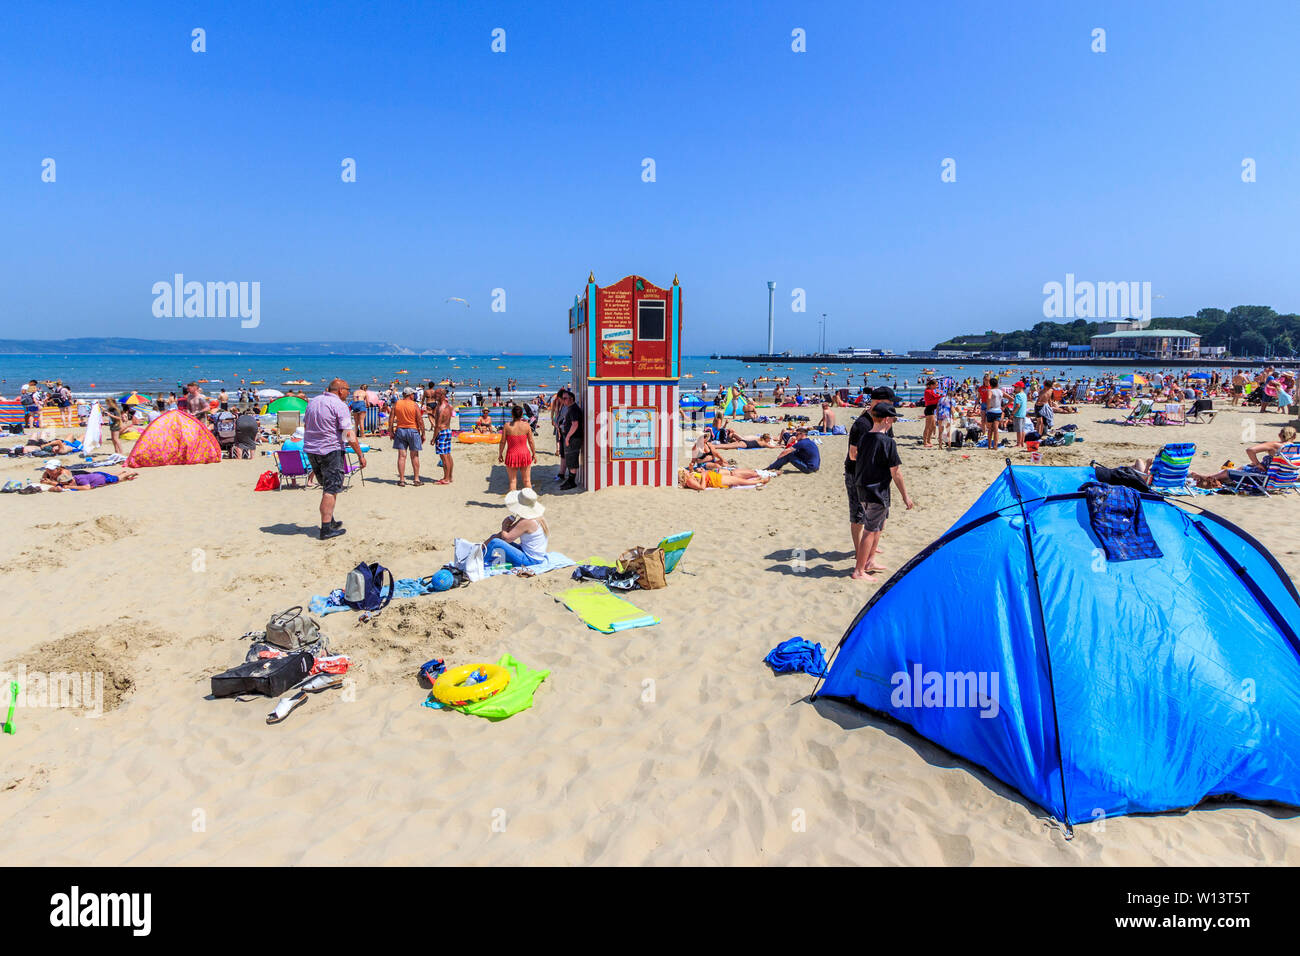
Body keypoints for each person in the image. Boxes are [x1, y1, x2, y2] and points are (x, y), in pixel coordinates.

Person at [852, 404, 914, 579]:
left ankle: (870, 561)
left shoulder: (864, 437)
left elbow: (857, 458)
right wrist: (905, 496)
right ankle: (859, 570)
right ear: (887, 419)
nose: (894, 422)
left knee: (878, 525)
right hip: (876, 490)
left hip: (863, 487)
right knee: (870, 529)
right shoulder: (887, 442)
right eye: (894, 419)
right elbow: (896, 472)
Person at [303, 379, 367, 540]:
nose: (349, 393)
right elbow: (348, 434)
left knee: (327, 485)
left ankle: (329, 520)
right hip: (330, 450)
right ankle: (326, 529)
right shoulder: (339, 405)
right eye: (347, 389)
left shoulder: (313, 402)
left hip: (312, 449)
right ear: (339, 390)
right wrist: (360, 454)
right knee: (330, 489)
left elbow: (306, 426)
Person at [845, 385, 896, 556]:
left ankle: (871, 548)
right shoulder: (862, 424)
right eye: (891, 402)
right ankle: (860, 551)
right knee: (859, 516)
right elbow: (853, 455)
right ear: (880, 402)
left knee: (881, 515)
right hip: (858, 475)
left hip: (879, 476)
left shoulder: (885, 420)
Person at [483, 488, 549, 567]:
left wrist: (504, 525)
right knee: (494, 537)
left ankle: (480, 561)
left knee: (495, 542)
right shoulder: (535, 517)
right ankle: (480, 551)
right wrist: (483, 545)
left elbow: (506, 539)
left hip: (531, 561)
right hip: (532, 555)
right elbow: (507, 533)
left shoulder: (526, 521)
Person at [390, 386, 425, 486]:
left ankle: (401, 480)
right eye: (413, 394)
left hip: (400, 430)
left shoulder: (397, 403)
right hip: (413, 430)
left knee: (402, 456)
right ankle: (416, 479)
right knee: (414, 456)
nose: (414, 395)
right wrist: (423, 433)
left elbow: (391, 418)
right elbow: (420, 420)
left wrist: (391, 431)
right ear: (410, 395)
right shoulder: (414, 405)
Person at [499, 405, 536, 492]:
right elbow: (531, 441)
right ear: (522, 414)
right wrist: (534, 453)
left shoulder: (507, 426)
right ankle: (530, 503)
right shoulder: (526, 426)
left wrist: (500, 454)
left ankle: (513, 504)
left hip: (512, 454)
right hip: (525, 454)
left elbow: (502, 442)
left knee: (512, 481)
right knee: (527, 481)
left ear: (512, 414)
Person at [40, 460, 138, 490]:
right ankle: (123, 472)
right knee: (108, 475)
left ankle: (128, 473)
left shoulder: (65, 474)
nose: (48, 471)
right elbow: (59, 484)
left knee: (114, 478)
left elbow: (86, 487)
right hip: (95, 476)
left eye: (50, 469)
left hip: (85, 475)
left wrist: (50, 482)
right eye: (48, 469)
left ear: (58, 469)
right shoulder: (49, 471)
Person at [430, 387, 455, 484]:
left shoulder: (441, 408)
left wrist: (433, 438)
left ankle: (446, 478)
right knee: (448, 455)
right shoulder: (448, 406)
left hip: (442, 432)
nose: (434, 396)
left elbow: (438, 425)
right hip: (448, 431)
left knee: (444, 457)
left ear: (441, 395)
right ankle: (450, 476)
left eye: (436, 394)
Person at [560, 390, 582, 490]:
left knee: (572, 458)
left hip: (574, 438)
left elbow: (575, 424)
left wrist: (568, 437)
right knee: (569, 458)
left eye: (565, 398)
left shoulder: (573, 409)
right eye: (562, 398)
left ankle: (572, 481)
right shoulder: (570, 408)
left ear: (571, 398)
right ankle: (570, 479)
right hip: (571, 437)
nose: (563, 400)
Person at [983, 377, 1004, 451]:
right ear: (997, 384)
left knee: (990, 429)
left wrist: (988, 406)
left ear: (990, 384)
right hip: (998, 411)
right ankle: (995, 446)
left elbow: (988, 398)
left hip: (991, 411)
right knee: (996, 429)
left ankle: (989, 445)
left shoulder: (990, 391)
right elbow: (1011, 399)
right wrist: (1004, 406)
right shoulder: (1001, 391)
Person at [921, 379, 940, 447]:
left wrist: (939, 394)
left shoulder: (931, 390)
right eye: (936, 385)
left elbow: (936, 397)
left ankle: (928, 440)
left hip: (931, 409)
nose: (937, 386)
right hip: (929, 410)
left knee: (933, 426)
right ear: (932, 385)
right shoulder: (928, 391)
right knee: (928, 427)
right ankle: (925, 442)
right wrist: (941, 395)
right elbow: (935, 397)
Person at [1011, 381, 1030, 449]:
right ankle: (1022, 443)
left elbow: (1018, 405)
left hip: (1018, 414)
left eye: (1016, 387)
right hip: (1023, 414)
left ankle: (1018, 443)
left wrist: (1012, 413)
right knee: (1022, 430)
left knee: (1019, 430)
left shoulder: (1018, 395)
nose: (1014, 388)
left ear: (1020, 387)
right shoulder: (1024, 395)